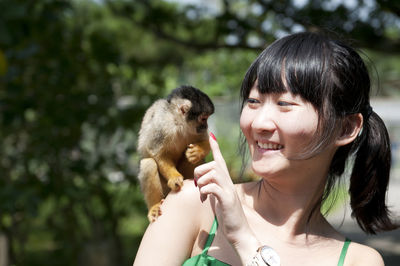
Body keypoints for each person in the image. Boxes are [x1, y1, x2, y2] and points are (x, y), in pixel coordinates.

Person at [133, 32, 399, 266]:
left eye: (284, 104)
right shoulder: (195, 204)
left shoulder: (359, 261)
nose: (258, 123)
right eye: (253, 101)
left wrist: (245, 242)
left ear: (344, 129)